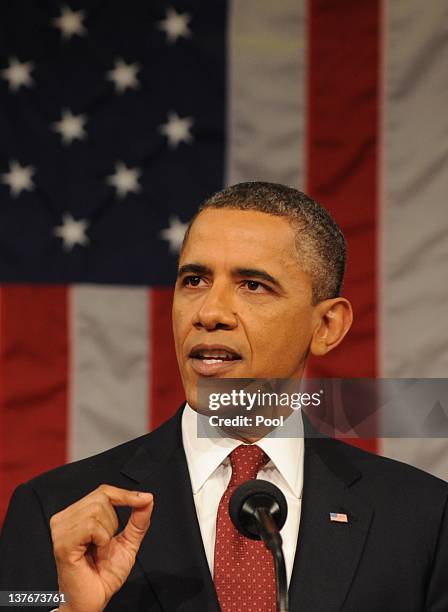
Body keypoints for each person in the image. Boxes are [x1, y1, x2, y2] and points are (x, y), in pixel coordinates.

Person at [1, 182, 447, 612]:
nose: (209, 313)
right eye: (194, 280)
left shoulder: (421, 519)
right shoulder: (55, 511)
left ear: (327, 325)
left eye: (252, 285)